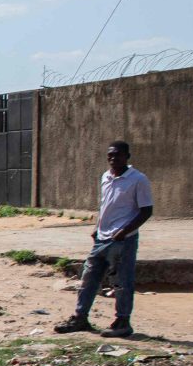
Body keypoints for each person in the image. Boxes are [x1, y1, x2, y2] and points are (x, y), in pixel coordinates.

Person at [55, 140, 152, 339]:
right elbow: (106, 206)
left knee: (121, 282)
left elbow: (146, 211)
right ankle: (80, 317)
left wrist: (125, 231)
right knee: (88, 278)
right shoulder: (106, 177)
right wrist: (97, 227)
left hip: (123, 240)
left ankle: (122, 321)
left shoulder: (138, 179)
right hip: (102, 238)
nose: (113, 159)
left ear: (127, 156)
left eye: (117, 155)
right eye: (110, 155)